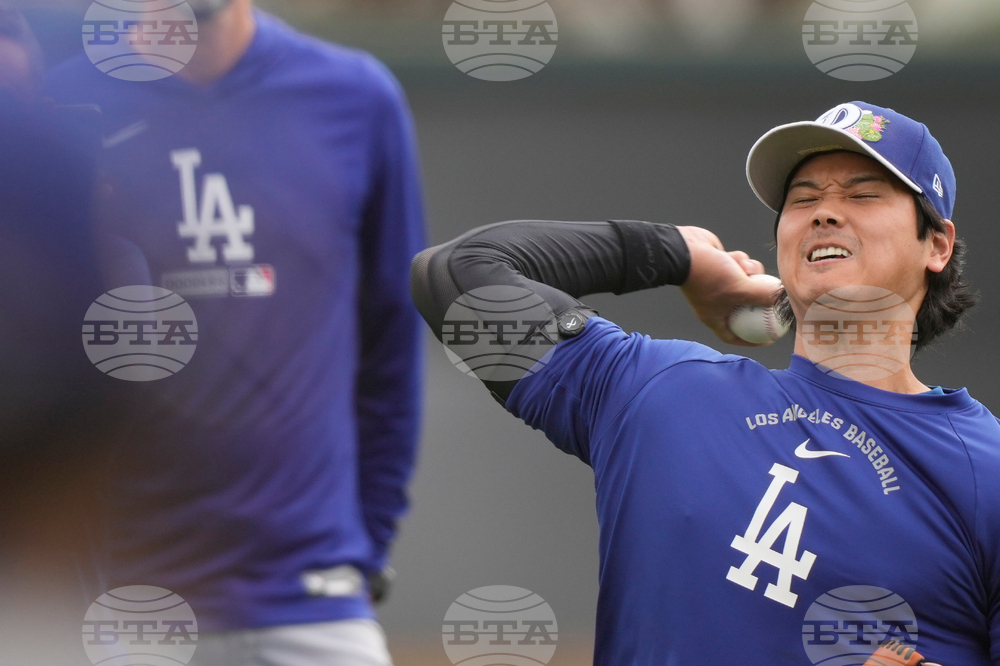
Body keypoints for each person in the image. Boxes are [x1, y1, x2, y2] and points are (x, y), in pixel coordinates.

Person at [411, 102, 997, 665]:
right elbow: (459, 275)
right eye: (803, 198)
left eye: (863, 194)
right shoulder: (663, 393)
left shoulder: (985, 472)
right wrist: (673, 254)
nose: (825, 211)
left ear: (937, 245)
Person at [47, 0, 425, 663]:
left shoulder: (357, 98)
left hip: (313, 597)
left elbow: (391, 345)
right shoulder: (56, 109)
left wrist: (359, 552)